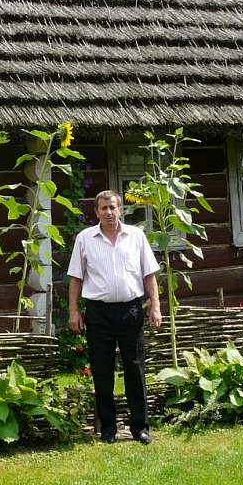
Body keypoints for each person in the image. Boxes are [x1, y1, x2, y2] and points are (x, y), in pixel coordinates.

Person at [67, 190, 162, 444]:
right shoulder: (85, 239)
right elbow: (76, 278)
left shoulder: (136, 236)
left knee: (135, 368)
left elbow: (149, 274)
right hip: (98, 313)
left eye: (113, 207)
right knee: (102, 370)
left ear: (121, 210)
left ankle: (140, 428)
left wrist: (155, 307)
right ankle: (108, 429)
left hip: (131, 310)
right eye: (103, 208)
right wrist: (74, 311)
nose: (109, 212)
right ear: (96, 212)